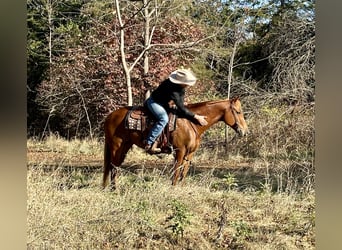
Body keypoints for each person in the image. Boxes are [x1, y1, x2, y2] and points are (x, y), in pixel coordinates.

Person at [144, 68, 208, 153]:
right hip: (154, 103)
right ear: (180, 82)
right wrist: (196, 116)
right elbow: (181, 108)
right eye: (186, 83)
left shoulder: (180, 87)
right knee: (164, 119)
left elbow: (180, 103)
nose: (188, 85)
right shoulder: (173, 88)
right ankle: (149, 142)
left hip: (164, 103)